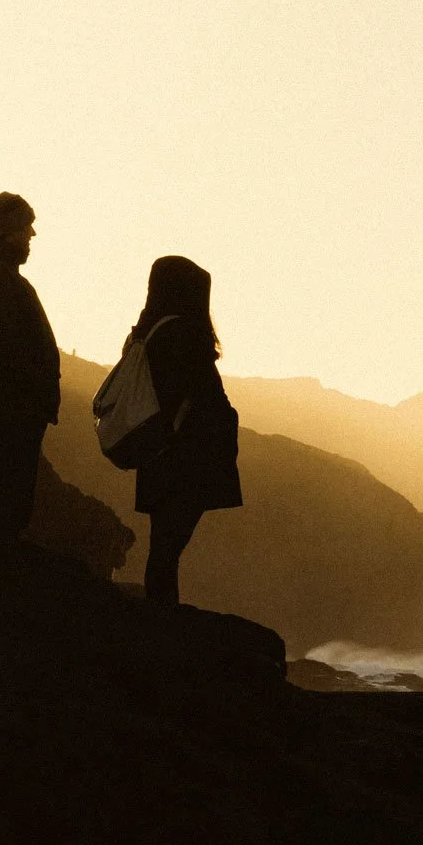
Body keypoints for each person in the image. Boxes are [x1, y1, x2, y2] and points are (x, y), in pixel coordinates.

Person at [124, 255, 241, 604]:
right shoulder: (186, 334)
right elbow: (205, 396)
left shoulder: (143, 335)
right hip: (187, 459)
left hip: (157, 454)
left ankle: (160, 620)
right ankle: (163, 627)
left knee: (163, 545)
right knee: (168, 549)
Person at [0, 192, 61, 544]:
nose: (32, 234)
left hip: (17, 405)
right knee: (6, 505)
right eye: (26, 226)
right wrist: (36, 391)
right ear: (7, 231)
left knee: (10, 502)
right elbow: (5, 348)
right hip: (11, 408)